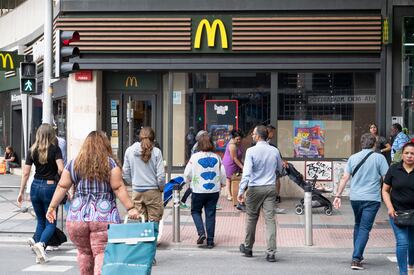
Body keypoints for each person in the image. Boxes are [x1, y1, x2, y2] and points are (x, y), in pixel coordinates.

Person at [46, 130, 139, 275]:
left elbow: (62, 186)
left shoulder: (74, 163)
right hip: (104, 216)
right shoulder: (110, 163)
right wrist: (131, 208)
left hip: (77, 217)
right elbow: (118, 187)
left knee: (83, 253)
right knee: (102, 251)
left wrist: (52, 207)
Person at [333, 133, 389, 270]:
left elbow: (345, 178)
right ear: (374, 144)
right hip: (372, 198)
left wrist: (338, 195)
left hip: (355, 198)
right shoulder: (379, 158)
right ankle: (356, 259)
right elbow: (386, 179)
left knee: (358, 225)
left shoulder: (353, 158)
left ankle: (357, 254)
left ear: (361, 143)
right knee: (364, 228)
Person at [16, 124, 64, 264]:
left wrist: (21, 191)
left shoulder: (32, 150)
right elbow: (61, 169)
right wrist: (63, 182)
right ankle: (41, 244)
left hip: (35, 186)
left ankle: (36, 241)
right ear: (51, 134)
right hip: (50, 187)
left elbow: (25, 173)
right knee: (51, 222)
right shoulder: (55, 149)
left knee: (41, 220)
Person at [238, 125, 283, 262]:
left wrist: (241, 190)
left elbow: (246, 173)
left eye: (253, 134)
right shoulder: (274, 150)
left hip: (254, 188)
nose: (252, 136)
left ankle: (248, 248)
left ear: (258, 136)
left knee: (252, 218)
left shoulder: (251, 151)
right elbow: (280, 169)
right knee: (270, 220)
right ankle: (271, 252)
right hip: (270, 188)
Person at [184, 135, 226, 248]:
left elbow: (187, 173)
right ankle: (210, 240)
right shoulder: (217, 157)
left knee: (195, 211)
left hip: (198, 190)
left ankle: (201, 233)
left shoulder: (194, 157)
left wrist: (187, 182)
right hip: (214, 191)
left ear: (199, 144)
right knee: (210, 214)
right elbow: (222, 173)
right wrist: (222, 183)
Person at [382, 141, 414, 275]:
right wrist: (389, 208)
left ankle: (411, 266)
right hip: (397, 212)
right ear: (402, 155)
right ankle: (403, 272)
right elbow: (385, 190)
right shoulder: (394, 169)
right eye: (406, 153)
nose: (409, 156)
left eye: (412, 153)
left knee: (412, 243)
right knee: (402, 243)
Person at [123, 127, 165, 224]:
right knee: (154, 221)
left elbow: (125, 173)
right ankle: (152, 238)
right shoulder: (157, 152)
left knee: (139, 221)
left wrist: (133, 183)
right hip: (153, 191)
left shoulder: (129, 151)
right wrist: (161, 187)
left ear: (139, 137)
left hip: (137, 191)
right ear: (153, 138)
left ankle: (142, 238)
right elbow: (161, 176)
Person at [180, 130, 209, 209]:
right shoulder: (197, 146)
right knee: (193, 186)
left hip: (198, 168)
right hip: (197, 169)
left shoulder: (198, 145)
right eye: (205, 136)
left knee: (194, 185)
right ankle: (183, 201)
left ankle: (183, 201)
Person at [222, 129, 244, 204]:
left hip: (236, 162)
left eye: (240, 139)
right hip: (230, 163)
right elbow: (234, 158)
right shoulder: (232, 145)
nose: (239, 140)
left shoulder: (238, 143)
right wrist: (242, 167)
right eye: (237, 139)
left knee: (234, 179)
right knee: (229, 179)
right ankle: (229, 194)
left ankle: (234, 194)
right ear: (233, 138)